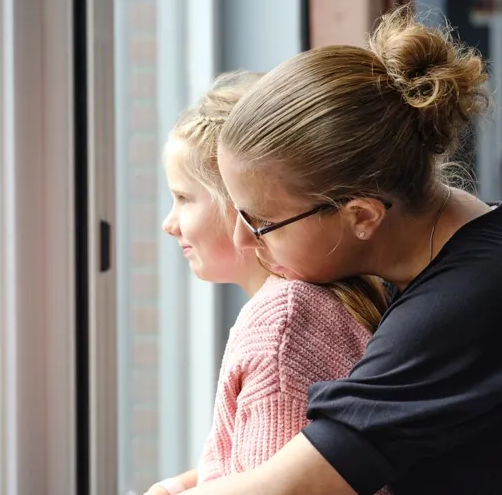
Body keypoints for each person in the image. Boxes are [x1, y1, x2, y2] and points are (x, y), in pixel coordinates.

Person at [182, 5, 502, 495]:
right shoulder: (459, 243)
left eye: (261, 222)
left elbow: (297, 486)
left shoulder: (465, 303)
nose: (244, 240)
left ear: (362, 216)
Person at [148, 71, 393, 495]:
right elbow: (266, 459)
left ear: (242, 202)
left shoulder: (281, 324)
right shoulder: (316, 302)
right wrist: (181, 487)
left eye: (184, 198)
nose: (169, 224)